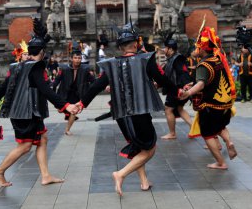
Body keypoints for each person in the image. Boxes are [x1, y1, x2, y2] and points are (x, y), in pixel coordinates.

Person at [75, 27, 181, 196]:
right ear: (137, 44)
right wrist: (178, 90)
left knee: (139, 147)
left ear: (120, 47)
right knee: (149, 148)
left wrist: (81, 103)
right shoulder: (146, 60)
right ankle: (121, 174)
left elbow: (96, 85)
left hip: (122, 115)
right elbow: (162, 79)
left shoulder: (112, 64)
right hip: (139, 112)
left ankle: (144, 181)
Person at [0, 18, 78, 187]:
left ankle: (45, 175)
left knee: (43, 139)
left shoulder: (17, 66)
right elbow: (46, 90)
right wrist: (66, 105)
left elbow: (5, 85)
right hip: (25, 113)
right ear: (43, 52)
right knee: (25, 146)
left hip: (27, 112)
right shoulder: (36, 67)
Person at [180, 26, 237, 170]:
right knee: (220, 126)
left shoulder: (203, 65)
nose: (196, 49)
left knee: (208, 134)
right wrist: (192, 84)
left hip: (210, 106)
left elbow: (201, 84)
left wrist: (188, 93)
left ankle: (220, 162)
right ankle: (229, 142)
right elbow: (213, 80)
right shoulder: (218, 59)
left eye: (198, 47)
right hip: (224, 105)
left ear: (203, 49)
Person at [52, 40, 95, 135]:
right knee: (61, 110)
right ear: (71, 59)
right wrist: (52, 91)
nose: (77, 60)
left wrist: (104, 85)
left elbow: (94, 82)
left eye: (79, 58)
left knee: (73, 111)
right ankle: (66, 113)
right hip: (65, 93)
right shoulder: (64, 69)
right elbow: (56, 81)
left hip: (77, 94)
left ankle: (67, 129)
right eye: (75, 58)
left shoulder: (85, 69)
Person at [161, 38, 192, 140]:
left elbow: (183, 73)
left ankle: (172, 133)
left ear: (170, 49)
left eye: (165, 48)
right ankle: (194, 128)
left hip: (176, 89)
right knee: (179, 108)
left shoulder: (177, 59)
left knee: (168, 109)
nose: (163, 50)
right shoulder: (171, 59)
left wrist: (185, 87)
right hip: (176, 88)